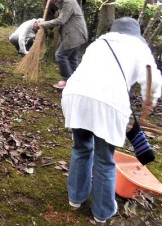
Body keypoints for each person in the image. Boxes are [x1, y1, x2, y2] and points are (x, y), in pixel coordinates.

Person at [62, 17, 162, 223]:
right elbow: (152, 78)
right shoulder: (139, 48)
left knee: (81, 148)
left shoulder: (99, 43)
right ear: (136, 34)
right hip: (108, 103)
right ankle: (102, 211)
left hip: (76, 95)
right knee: (104, 159)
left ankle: (75, 198)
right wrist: (149, 100)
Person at [39, 0, 88, 89]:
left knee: (60, 55)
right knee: (72, 58)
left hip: (74, 34)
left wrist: (44, 24)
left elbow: (61, 20)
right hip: (76, 33)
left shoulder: (68, 1)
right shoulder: (63, 0)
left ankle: (68, 81)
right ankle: (76, 82)